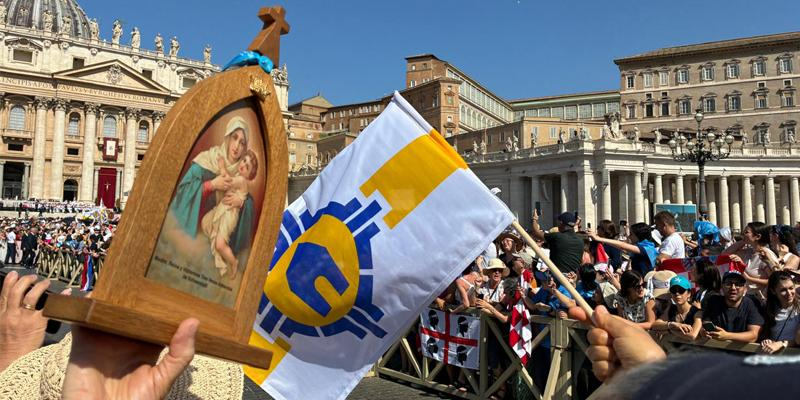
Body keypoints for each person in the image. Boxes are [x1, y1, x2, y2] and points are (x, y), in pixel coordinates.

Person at [167, 117, 254, 255]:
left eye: (242, 143)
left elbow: (249, 206)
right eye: (234, 138)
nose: (236, 146)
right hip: (192, 242)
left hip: (217, 247)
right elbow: (182, 193)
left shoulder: (241, 174)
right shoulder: (207, 160)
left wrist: (241, 203)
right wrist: (211, 185)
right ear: (227, 137)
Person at [201, 149, 259, 278]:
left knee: (220, 244)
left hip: (229, 214)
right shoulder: (238, 175)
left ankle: (233, 262)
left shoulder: (241, 180)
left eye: (247, 166)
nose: (243, 165)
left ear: (249, 175)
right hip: (223, 209)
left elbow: (227, 181)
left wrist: (222, 166)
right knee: (206, 222)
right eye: (244, 160)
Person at [698, 271, 763, 343]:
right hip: (716, 350)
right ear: (722, 287)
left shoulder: (752, 303)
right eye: (728, 284)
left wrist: (727, 336)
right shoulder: (713, 301)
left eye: (738, 284)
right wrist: (703, 331)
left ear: (745, 288)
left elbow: (753, 336)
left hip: (742, 353)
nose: (733, 288)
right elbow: (705, 322)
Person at [587, 223, 658, 275]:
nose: (629, 237)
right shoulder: (645, 247)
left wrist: (598, 238)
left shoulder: (646, 248)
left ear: (638, 236)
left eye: (631, 234)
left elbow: (622, 245)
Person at [531, 210, 584, 274]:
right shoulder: (580, 241)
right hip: (573, 278)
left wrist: (534, 219)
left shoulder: (557, 237)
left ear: (561, 223)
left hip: (558, 278)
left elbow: (536, 233)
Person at [724, 221, 768, 298]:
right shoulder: (749, 251)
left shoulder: (765, 255)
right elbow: (725, 254)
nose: (743, 234)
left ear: (757, 236)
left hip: (759, 298)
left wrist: (749, 278)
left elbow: (773, 280)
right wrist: (743, 241)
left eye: (746, 232)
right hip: (746, 296)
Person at [760, 271, 800, 353]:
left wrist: (782, 344)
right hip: (773, 358)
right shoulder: (767, 308)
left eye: (791, 288)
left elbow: (798, 340)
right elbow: (764, 334)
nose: (789, 293)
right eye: (783, 290)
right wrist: (767, 340)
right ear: (773, 291)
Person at [650, 276, 701, 340]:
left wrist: (669, 330)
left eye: (681, 290)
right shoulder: (671, 309)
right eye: (673, 290)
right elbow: (654, 325)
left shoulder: (697, 312)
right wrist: (672, 324)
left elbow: (692, 335)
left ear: (689, 294)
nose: (677, 293)